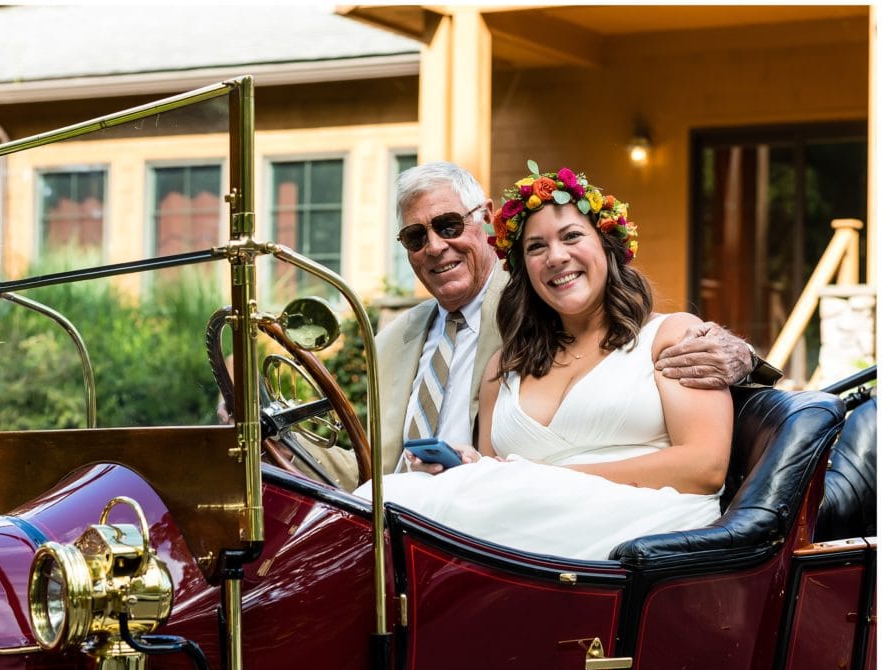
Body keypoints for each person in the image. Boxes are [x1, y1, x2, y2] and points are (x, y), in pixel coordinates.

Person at [290, 161, 771, 490]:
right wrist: (282, 437)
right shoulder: (393, 338)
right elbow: (372, 463)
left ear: (487, 223)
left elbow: (687, 380)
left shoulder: (537, 304)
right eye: (416, 237)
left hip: (513, 517)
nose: (435, 246)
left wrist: (742, 355)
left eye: (450, 226)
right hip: (413, 511)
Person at [354, 164, 732, 560]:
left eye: (571, 237)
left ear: (607, 244)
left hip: (639, 535)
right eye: (536, 247)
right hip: (526, 528)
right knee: (384, 500)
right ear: (523, 270)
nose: (555, 257)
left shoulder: (672, 337)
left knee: (396, 506)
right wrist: (475, 466)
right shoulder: (504, 366)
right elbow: (495, 469)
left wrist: (544, 480)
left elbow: (705, 466)